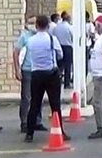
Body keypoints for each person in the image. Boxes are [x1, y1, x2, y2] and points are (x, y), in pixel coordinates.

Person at [23, 15, 69, 144]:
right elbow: (60, 54)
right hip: (51, 73)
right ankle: (60, 131)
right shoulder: (51, 39)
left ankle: (29, 133)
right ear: (48, 26)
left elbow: (29, 53)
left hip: (36, 74)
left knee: (35, 104)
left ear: (36, 26)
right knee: (55, 104)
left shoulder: (31, 41)